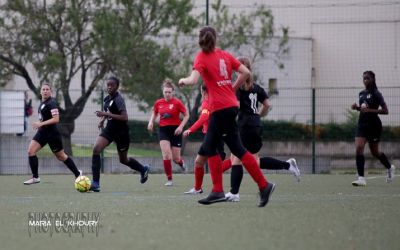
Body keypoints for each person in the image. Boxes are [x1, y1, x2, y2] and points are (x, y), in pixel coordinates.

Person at [179, 26, 275, 207]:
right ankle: (262, 186)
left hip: (219, 109)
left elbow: (193, 80)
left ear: (200, 40)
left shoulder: (201, 57)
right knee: (232, 149)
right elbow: (246, 73)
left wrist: (183, 80)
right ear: (216, 39)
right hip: (231, 107)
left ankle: (219, 191)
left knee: (214, 148)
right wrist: (232, 88)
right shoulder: (224, 55)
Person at [223, 56, 300, 202]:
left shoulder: (238, 88)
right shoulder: (257, 88)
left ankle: (234, 193)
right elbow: (267, 105)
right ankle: (287, 165)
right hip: (256, 125)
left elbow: (236, 107)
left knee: (238, 159)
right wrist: (258, 115)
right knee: (252, 161)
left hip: (245, 126)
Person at [90, 76, 150, 192]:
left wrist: (106, 115)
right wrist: (102, 120)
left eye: (112, 85)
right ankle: (96, 183)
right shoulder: (107, 99)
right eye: (108, 85)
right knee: (96, 149)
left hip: (122, 133)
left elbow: (124, 117)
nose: (109, 87)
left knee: (123, 160)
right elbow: (108, 111)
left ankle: (143, 169)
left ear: (117, 87)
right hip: (109, 130)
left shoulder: (119, 99)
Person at [24, 83, 82, 185]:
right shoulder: (42, 103)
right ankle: (35, 177)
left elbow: (56, 119)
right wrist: (40, 124)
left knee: (61, 156)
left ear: (51, 91)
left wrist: (41, 123)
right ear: (40, 91)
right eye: (43, 89)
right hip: (42, 132)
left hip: (52, 134)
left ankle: (77, 173)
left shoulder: (52, 103)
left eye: (47, 89)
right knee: (30, 151)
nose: (45, 91)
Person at [350, 71, 395, 186]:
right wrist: (357, 108)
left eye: (368, 78)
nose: (365, 80)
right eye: (364, 78)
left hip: (374, 126)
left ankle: (390, 167)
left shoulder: (376, 93)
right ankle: (361, 178)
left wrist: (369, 110)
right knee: (359, 148)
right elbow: (364, 109)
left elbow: (385, 111)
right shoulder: (361, 93)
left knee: (375, 152)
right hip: (362, 125)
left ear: (373, 79)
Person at [183, 85, 227, 194]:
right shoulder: (215, 100)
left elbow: (204, 117)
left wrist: (190, 129)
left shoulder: (207, 102)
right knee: (199, 162)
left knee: (217, 168)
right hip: (210, 137)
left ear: (203, 92)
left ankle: (237, 161)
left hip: (213, 137)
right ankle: (197, 188)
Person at [147, 79, 189, 186]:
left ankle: (181, 163)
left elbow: (186, 115)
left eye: (169, 92)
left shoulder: (177, 103)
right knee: (166, 155)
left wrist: (181, 126)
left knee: (175, 158)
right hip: (164, 130)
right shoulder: (158, 103)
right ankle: (169, 179)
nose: (167, 94)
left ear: (173, 92)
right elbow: (154, 113)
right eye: (165, 92)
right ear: (163, 92)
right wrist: (151, 122)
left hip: (176, 131)